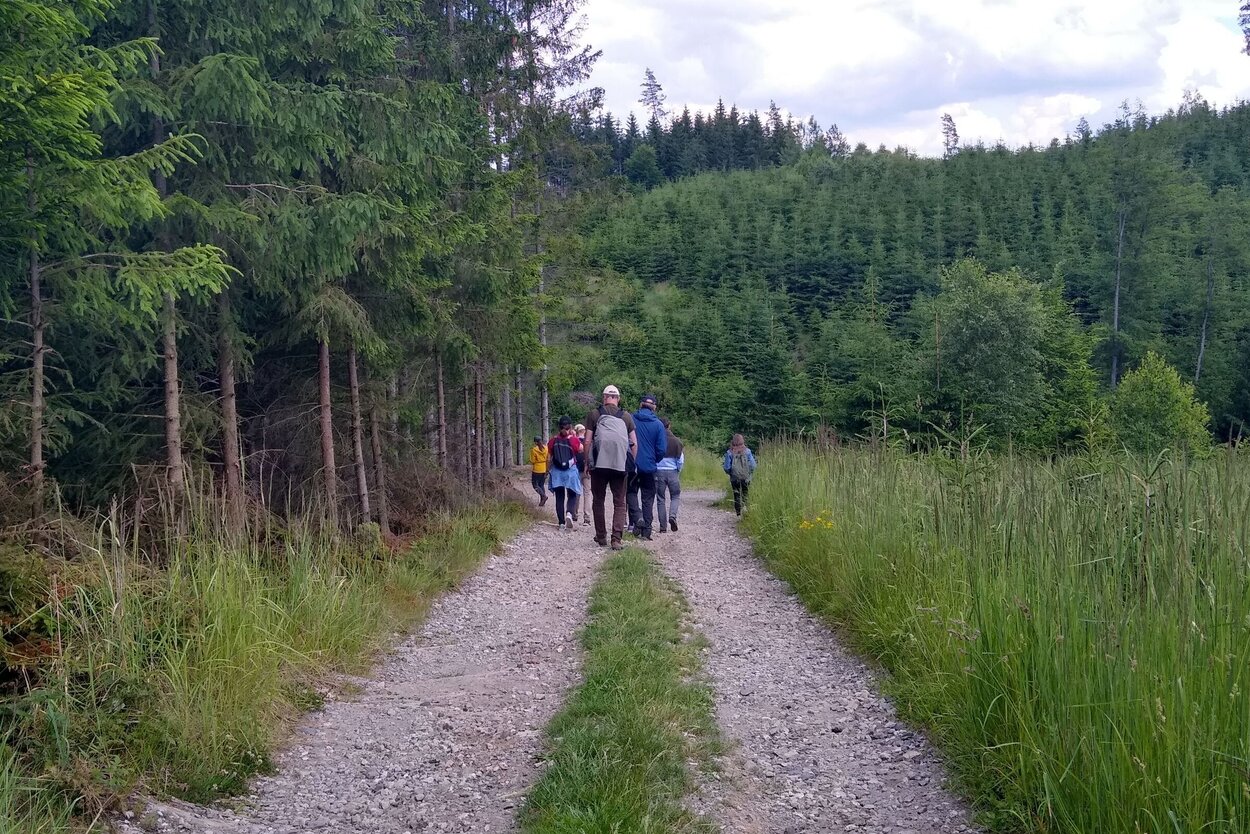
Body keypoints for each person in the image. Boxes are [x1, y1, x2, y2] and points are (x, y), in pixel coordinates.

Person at [584, 385, 638, 550]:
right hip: (619, 465)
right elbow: (634, 444)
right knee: (620, 503)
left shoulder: (595, 414)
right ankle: (616, 539)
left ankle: (601, 537)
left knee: (598, 500)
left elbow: (587, 441)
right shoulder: (626, 417)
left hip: (599, 465)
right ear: (618, 399)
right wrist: (629, 463)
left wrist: (587, 462)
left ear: (604, 397)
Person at [629, 393, 667, 540]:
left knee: (630, 492)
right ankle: (647, 530)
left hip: (632, 465)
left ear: (641, 405)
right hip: (649, 467)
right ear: (654, 407)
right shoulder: (658, 425)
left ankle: (637, 517)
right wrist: (654, 460)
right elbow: (661, 450)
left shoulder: (631, 419)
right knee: (648, 497)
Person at [547, 416, 582, 532]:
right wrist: (574, 436)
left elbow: (549, 455)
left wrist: (547, 471)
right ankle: (569, 514)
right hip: (570, 472)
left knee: (559, 497)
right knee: (572, 495)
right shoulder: (573, 440)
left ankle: (561, 523)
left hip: (557, 472)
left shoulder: (552, 440)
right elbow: (580, 449)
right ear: (570, 427)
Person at [655, 416, 684, 533]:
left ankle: (662, 527)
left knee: (660, 499)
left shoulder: (657, 440)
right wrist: (678, 470)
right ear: (669, 425)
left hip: (658, 471)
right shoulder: (677, 441)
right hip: (673, 472)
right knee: (675, 496)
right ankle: (672, 515)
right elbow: (680, 460)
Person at [723, 433, 757, 516]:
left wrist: (731, 473)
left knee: (736, 495)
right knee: (745, 493)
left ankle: (738, 514)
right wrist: (749, 473)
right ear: (743, 441)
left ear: (733, 441)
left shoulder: (729, 452)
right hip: (746, 477)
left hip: (734, 478)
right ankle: (745, 510)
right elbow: (753, 465)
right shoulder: (748, 451)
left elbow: (727, 467)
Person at [574, 423, 591, 524]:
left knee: (576, 492)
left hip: (576, 469)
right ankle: (587, 518)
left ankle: (575, 514)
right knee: (587, 493)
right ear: (584, 431)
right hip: (587, 470)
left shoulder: (574, 442)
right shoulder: (588, 442)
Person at [529, 435, 549, 506]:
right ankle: (542, 500)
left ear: (536, 442)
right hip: (544, 468)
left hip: (537, 469)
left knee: (535, 485)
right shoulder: (546, 448)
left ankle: (543, 496)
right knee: (541, 484)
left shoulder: (534, 450)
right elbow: (547, 459)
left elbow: (532, 460)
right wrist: (547, 469)